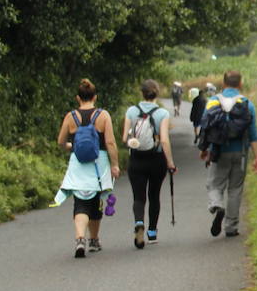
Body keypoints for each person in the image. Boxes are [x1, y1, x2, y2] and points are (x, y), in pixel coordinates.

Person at [54, 79, 120, 258]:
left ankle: (80, 239)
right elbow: (110, 142)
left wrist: (72, 146)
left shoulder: (70, 116)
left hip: (78, 164)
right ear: (95, 97)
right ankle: (94, 239)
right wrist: (115, 164)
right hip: (99, 163)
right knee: (96, 201)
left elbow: (61, 142)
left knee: (80, 204)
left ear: (78, 98)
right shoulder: (103, 115)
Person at [199, 70, 257, 238]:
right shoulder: (247, 103)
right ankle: (231, 227)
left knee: (214, 185)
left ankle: (217, 205)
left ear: (223, 83)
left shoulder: (213, 101)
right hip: (240, 153)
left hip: (218, 152)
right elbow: (253, 133)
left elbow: (205, 127)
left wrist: (204, 149)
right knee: (235, 189)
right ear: (240, 84)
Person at [123, 79, 177, 249]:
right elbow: (165, 141)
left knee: (139, 197)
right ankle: (152, 232)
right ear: (157, 93)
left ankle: (139, 222)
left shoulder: (131, 111)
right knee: (154, 195)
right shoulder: (162, 113)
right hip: (156, 159)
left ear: (142, 93)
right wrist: (170, 162)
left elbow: (125, 138)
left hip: (136, 159)